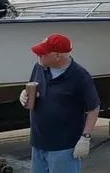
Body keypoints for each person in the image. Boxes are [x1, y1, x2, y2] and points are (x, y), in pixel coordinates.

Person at [19, 33, 101, 173]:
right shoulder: (39, 67)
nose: (38, 56)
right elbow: (33, 87)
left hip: (63, 146)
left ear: (57, 56)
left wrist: (85, 137)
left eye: (42, 54)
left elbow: (93, 108)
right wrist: (24, 94)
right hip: (38, 141)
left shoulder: (80, 76)